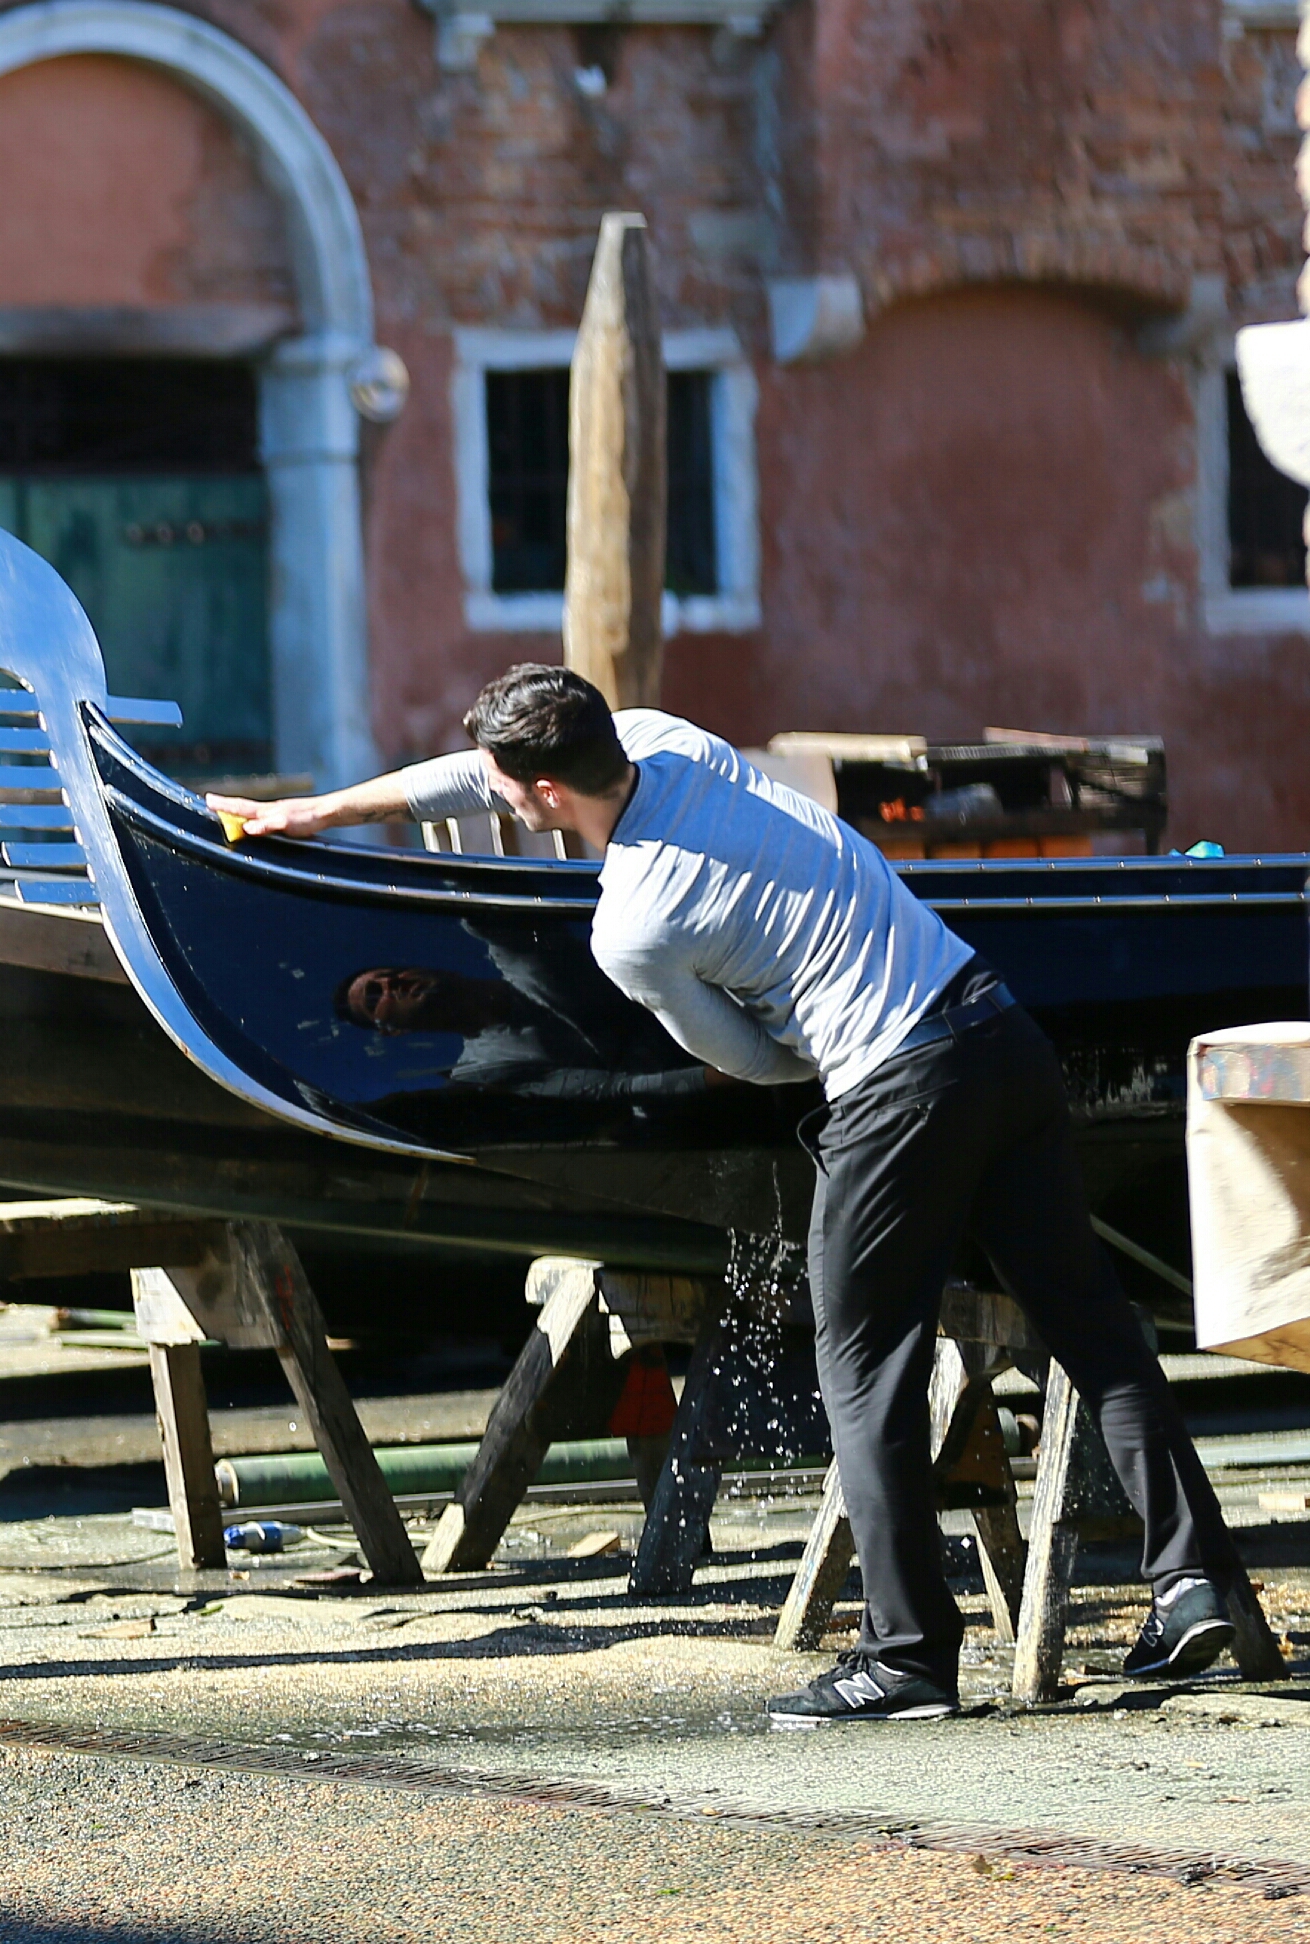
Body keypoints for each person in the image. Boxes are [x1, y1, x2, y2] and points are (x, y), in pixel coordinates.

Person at [211, 663, 1250, 1725]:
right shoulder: (664, 740)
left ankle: (905, 1657)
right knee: (1088, 1323)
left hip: (894, 1085)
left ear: (546, 796)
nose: (491, 794)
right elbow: (474, 780)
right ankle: (1195, 1582)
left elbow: (750, 1063)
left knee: (859, 1363)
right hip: (994, 1028)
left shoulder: (633, 925)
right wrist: (317, 813)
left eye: (505, 784)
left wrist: (807, 1033)